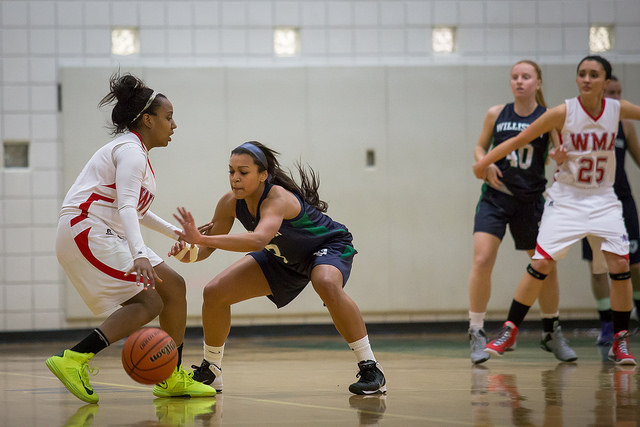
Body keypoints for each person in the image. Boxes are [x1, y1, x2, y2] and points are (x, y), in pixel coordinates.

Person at [46, 72, 216, 403]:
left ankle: (171, 377)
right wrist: (140, 254)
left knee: (174, 287)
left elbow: (134, 210)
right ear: (147, 119)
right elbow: (125, 206)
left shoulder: (136, 153)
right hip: (86, 230)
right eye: (169, 118)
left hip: (103, 230)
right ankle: (74, 359)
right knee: (149, 300)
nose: (174, 125)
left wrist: (179, 233)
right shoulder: (131, 152)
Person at [169, 141, 386, 395]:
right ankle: (212, 370)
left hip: (327, 245)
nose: (235, 178)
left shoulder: (277, 199)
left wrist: (201, 239)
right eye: (231, 171)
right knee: (215, 292)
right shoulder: (229, 203)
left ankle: (371, 367)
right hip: (283, 258)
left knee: (325, 282)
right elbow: (205, 248)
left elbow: (258, 240)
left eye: (243, 172)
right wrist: (189, 253)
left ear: (263, 175)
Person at [473, 55, 640, 365]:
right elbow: (520, 139)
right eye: (582, 74)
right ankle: (510, 329)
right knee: (542, 263)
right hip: (567, 198)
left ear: (606, 80)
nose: (587, 79)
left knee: (620, 264)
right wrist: (482, 163)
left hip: (604, 198)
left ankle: (620, 341)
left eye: (594, 74)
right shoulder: (564, 111)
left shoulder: (617, 110)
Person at [468, 60, 577, 365]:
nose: (519, 82)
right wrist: (486, 162)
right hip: (496, 197)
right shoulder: (496, 113)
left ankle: (551, 329)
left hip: (531, 201)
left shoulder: (549, 117)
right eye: (515, 77)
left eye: (526, 77)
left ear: (538, 82)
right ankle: (476, 330)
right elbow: (479, 148)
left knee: (546, 266)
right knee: (482, 258)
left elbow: (562, 157)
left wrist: (559, 156)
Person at [580, 75, 640, 346]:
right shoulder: (582, 123)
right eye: (611, 92)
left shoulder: (625, 124)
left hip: (621, 199)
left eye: (619, 92)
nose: (616, 97)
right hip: (591, 202)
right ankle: (607, 323)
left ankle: (635, 313)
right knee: (598, 266)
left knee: (633, 264)